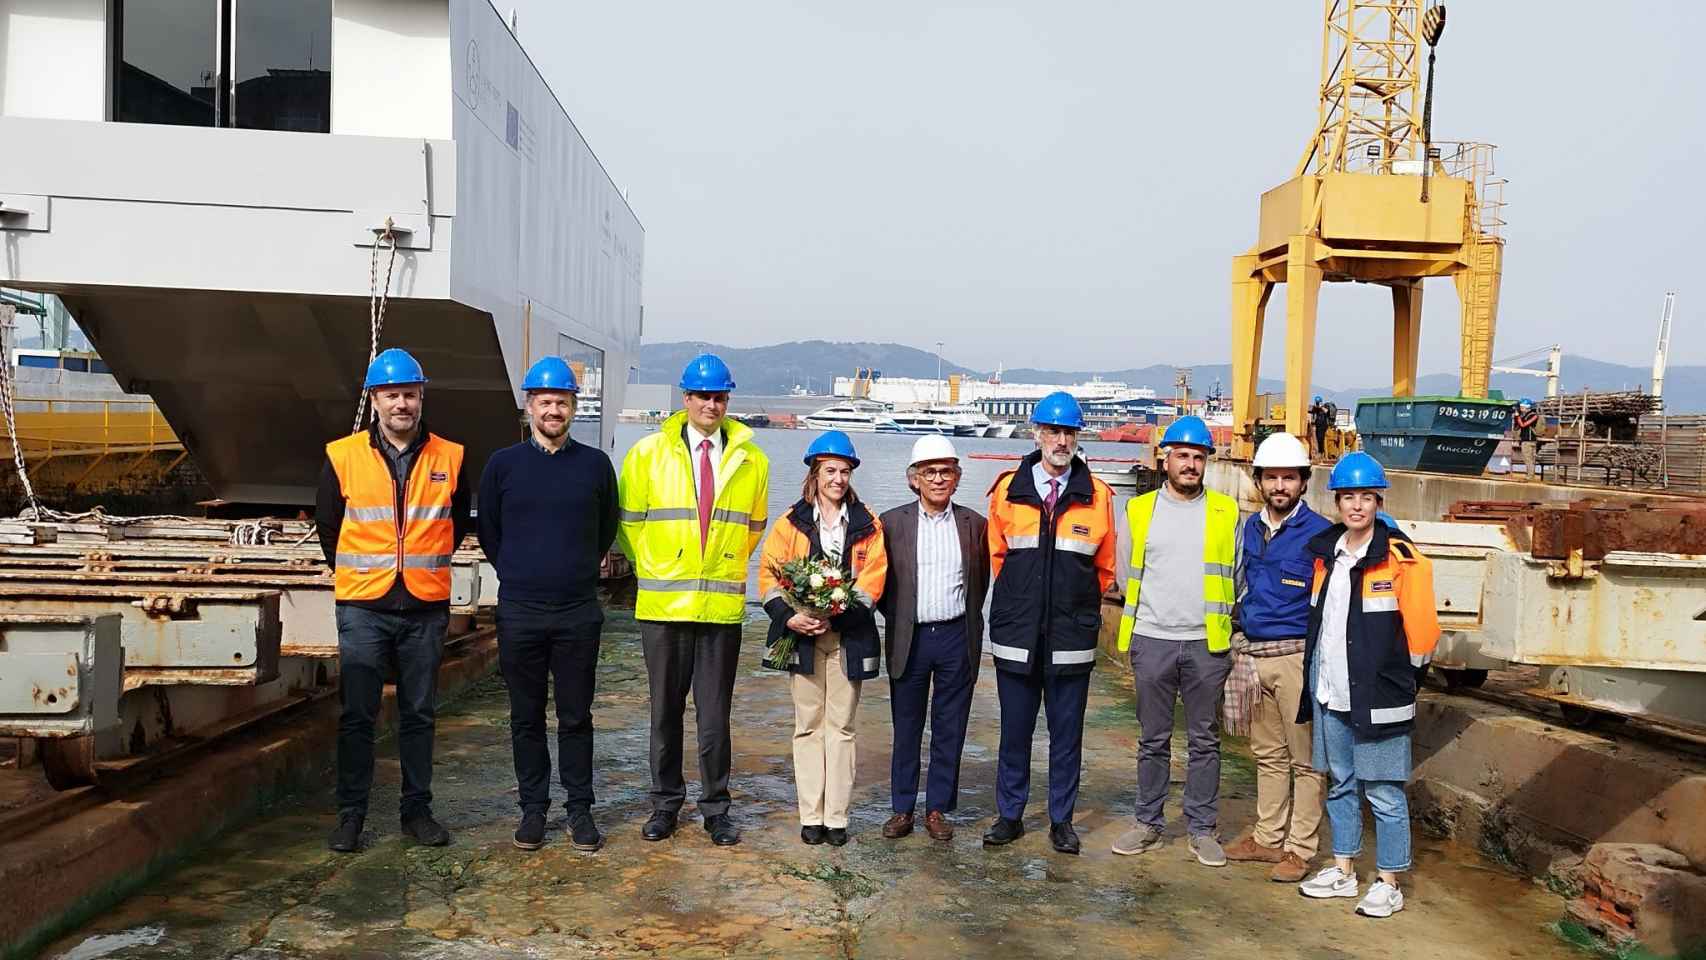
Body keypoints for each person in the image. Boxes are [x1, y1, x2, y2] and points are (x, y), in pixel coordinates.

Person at [315, 348, 471, 853]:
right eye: (391, 394)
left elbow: (458, 522)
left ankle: (416, 812)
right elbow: (329, 528)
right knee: (358, 715)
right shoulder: (343, 456)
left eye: (409, 394)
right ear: (374, 399)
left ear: (421, 397)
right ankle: (351, 816)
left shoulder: (450, 456)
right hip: (363, 606)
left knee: (420, 714)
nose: (401, 403)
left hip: (424, 607)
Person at [617, 353, 769, 847]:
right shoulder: (646, 455)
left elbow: (753, 530)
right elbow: (629, 526)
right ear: (685, 399)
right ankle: (665, 804)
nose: (711, 403)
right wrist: (660, 568)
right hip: (663, 607)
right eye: (703, 395)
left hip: (720, 608)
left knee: (714, 717)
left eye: (720, 396)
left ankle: (716, 809)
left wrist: (717, 567)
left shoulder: (753, 459)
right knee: (664, 713)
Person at [478, 357, 618, 852]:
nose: (553, 409)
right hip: (520, 609)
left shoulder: (595, 465)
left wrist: (575, 570)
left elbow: (607, 528)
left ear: (573, 408)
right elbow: (490, 533)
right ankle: (533, 811)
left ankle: (580, 811)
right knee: (526, 716)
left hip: (577, 610)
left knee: (576, 716)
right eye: (545, 401)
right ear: (529, 406)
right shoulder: (503, 466)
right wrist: (519, 573)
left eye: (562, 401)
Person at [1296, 452, 1441, 918]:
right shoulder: (1327, 556)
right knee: (1340, 783)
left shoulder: (1403, 560)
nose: (1356, 506)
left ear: (1378, 501)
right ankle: (1343, 870)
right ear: (1336, 502)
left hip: (1380, 698)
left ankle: (1389, 880)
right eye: (1347, 497)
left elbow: (1422, 639)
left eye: (1365, 497)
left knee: (1383, 791)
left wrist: (1398, 687)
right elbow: (1323, 628)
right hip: (1330, 692)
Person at [983, 392, 1117, 856]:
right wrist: (1022, 606)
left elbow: (1105, 569)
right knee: (1014, 733)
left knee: (1066, 737)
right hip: (1018, 636)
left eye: (1069, 433)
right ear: (1037, 433)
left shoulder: (1097, 496)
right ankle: (1010, 815)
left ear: (1077, 438)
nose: (1061, 441)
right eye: (1053, 431)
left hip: (1070, 639)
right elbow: (997, 560)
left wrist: (1075, 612)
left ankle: (1062, 820)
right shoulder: (1006, 490)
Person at [1112, 415, 1240, 866]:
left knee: (1205, 741)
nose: (1190, 464)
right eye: (1182, 455)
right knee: (1153, 739)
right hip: (1153, 640)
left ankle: (1202, 829)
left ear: (1207, 462)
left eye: (1198, 457)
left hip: (1207, 644)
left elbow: (1237, 575)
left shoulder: (1227, 512)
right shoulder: (1138, 510)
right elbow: (1125, 575)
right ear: (1165, 459)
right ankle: (1147, 822)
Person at [758, 432, 888, 846]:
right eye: (830, 470)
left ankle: (838, 819)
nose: (838, 478)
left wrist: (838, 614)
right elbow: (769, 576)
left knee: (843, 727)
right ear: (814, 474)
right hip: (802, 638)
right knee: (808, 726)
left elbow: (874, 580)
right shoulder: (789, 523)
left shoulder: (869, 523)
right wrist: (791, 617)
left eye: (844, 471)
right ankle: (811, 816)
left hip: (847, 637)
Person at [1221, 432, 1333, 882]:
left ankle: (1299, 849)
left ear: (1304, 482)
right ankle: (1268, 839)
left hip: (1296, 657)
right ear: (1259, 482)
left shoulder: (1323, 534)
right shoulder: (1248, 528)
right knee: (1267, 754)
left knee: (1305, 759)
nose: (1280, 486)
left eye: (1289, 477)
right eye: (1272, 477)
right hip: (1253, 654)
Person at [876, 436, 990, 842]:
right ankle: (902, 808)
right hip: (911, 636)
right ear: (914, 479)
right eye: (930, 472)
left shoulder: (975, 525)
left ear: (957, 478)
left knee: (950, 727)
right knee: (906, 726)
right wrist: (899, 618)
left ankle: (938, 808)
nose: (938, 479)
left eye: (946, 472)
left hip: (957, 635)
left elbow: (980, 584)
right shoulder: (890, 523)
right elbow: (880, 582)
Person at [1513, 398, 1541, 480]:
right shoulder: (1523, 415)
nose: (1521, 409)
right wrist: (1516, 417)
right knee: (1529, 459)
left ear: (1527, 407)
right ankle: (1530, 475)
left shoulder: (1533, 415)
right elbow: (1516, 427)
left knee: (1528, 459)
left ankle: (1530, 476)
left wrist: (1518, 416)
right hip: (1526, 440)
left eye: (1522, 407)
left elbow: (1523, 425)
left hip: (1529, 440)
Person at [1308, 396, 1337, 460]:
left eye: (1318, 402)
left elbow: (1327, 411)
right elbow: (1310, 410)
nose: (1317, 403)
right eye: (1317, 402)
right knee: (1318, 439)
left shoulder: (1325, 407)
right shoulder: (1315, 408)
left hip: (1323, 426)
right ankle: (1320, 452)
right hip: (1318, 426)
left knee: (1321, 439)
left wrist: (1321, 407)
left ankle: (1321, 452)